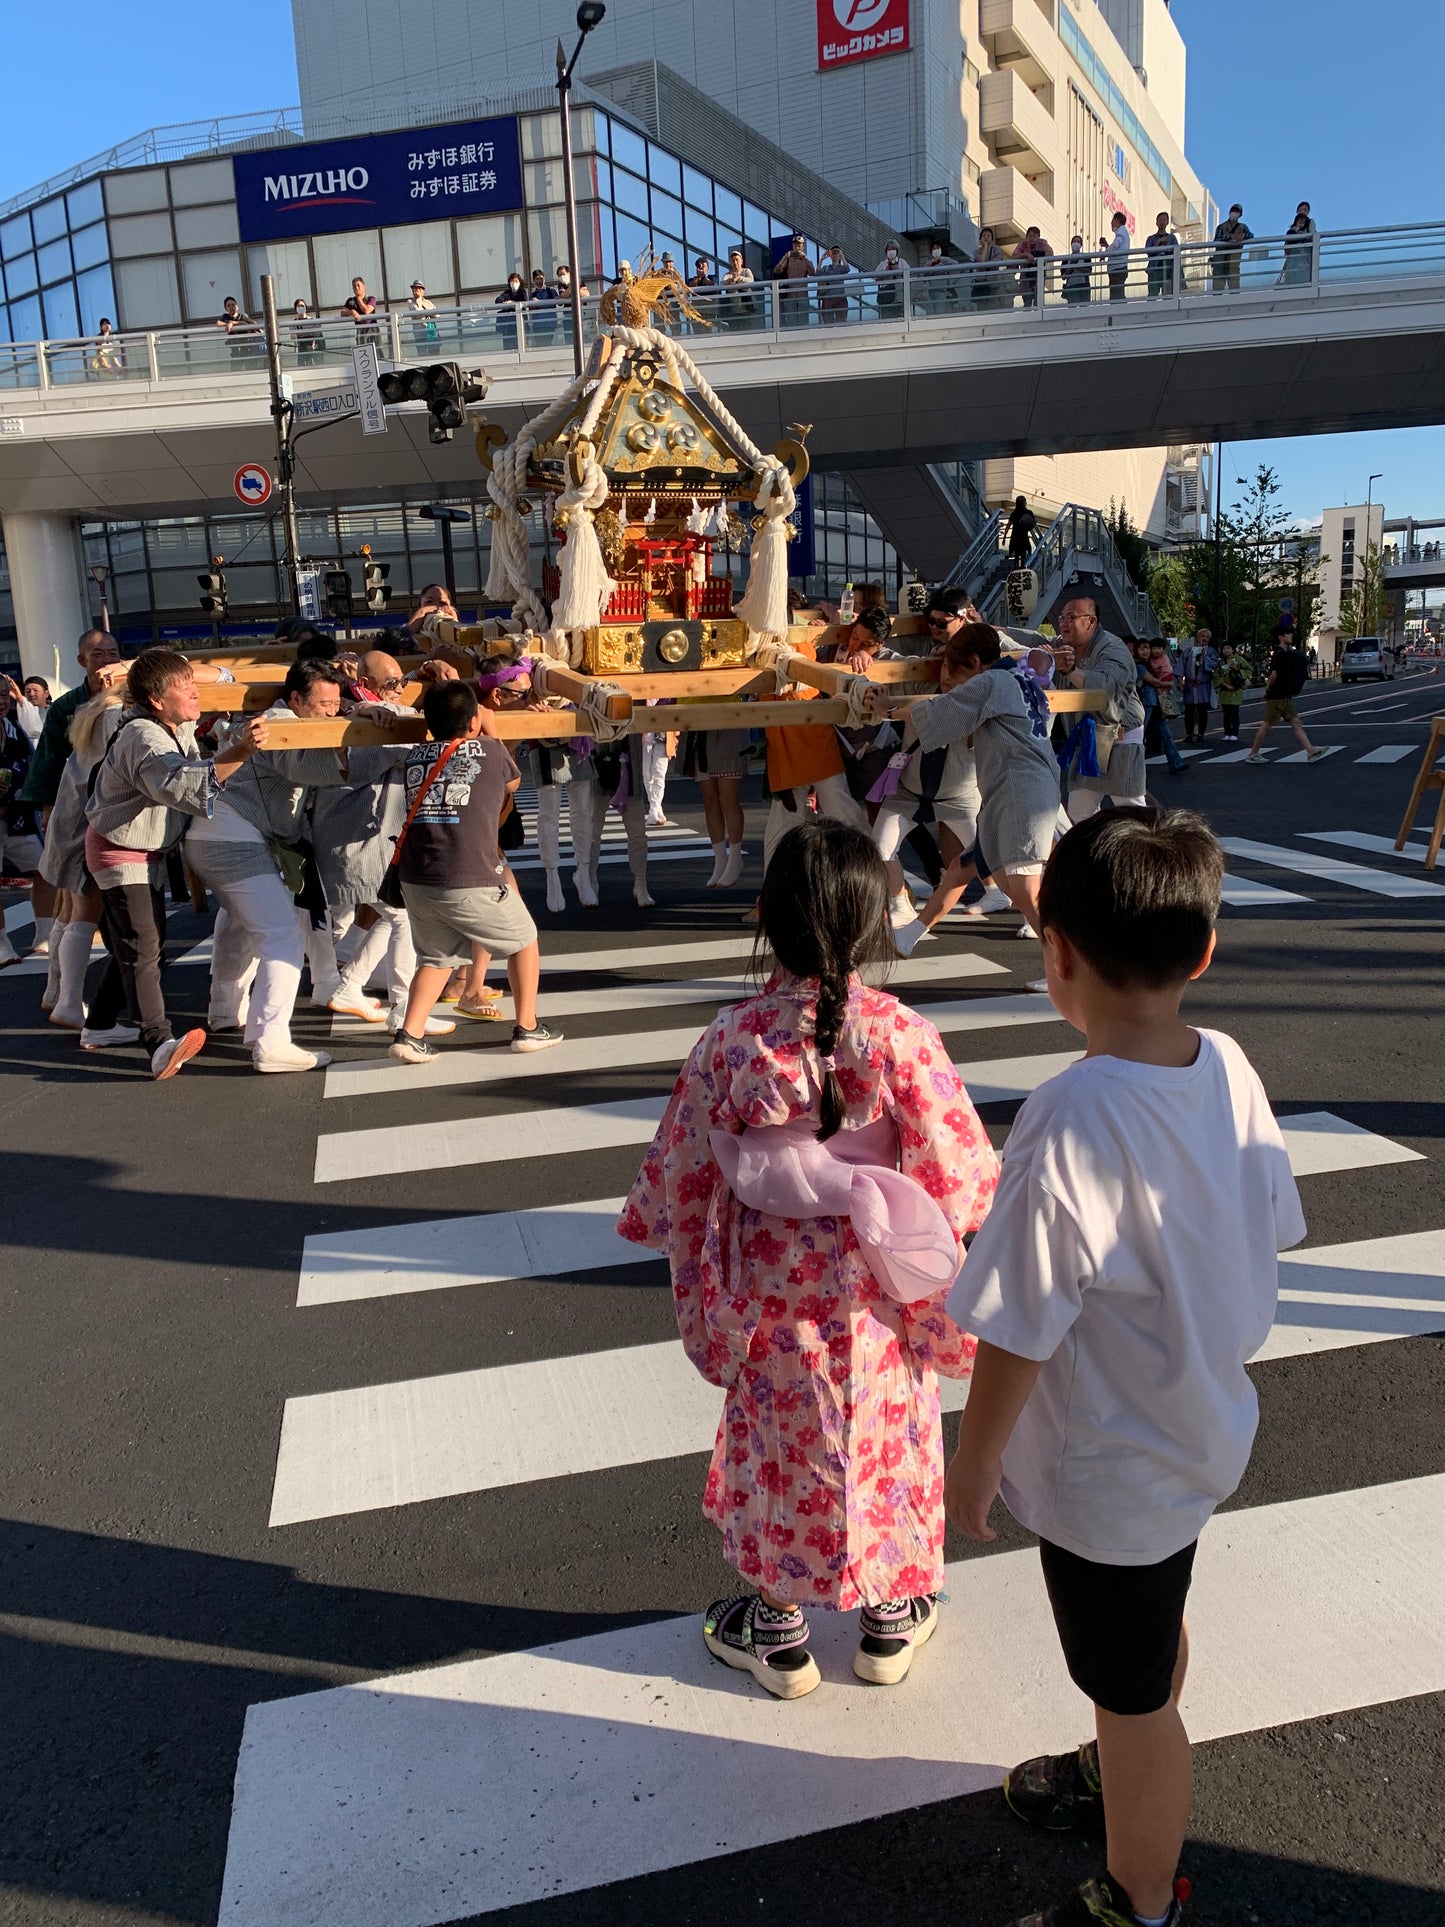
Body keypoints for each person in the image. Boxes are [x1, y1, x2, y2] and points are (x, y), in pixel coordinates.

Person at [944, 806, 1305, 1927]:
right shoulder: (1226, 1063)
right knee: (1150, 1625)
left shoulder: (1066, 1116)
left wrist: (973, 1463)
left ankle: (1138, 1895)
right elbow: (1267, 1221)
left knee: (1136, 1693)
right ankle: (1115, 1752)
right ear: (1200, 951)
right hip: (1193, 1423)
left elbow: (1014, 1321)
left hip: (1110, 1464)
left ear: (1053, 955)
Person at [618, 819, 999, 1698]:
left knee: (782, 1441)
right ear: (873, 924)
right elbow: (962, 1175)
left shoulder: (730, 1038)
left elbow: (677, 1178)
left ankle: (779, 1631)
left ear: (764, 915)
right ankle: (888, 1618)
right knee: (886, 1431)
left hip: (770, 1287)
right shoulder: (897, 1035)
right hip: (877, 1289)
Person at [83, 648, 270, 1077]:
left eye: (192, 682)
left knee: (139, 944)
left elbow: (217, 678)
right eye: (182, 686)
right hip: (119, 850)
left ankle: (100, 1024)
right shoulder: (143, 736)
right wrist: (239, 752)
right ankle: (159, 1042)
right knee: (144, 948)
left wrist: (216, 673)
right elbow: (180, 785)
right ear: (155, 700)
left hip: (137, 848)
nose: (193, 691)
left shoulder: (172, 725)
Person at [185, 658, 349, 1072]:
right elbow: (314, 768)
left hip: (216, 834)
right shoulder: (277, 724)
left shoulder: (278, 718)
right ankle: (271, 1041)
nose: (333, 711)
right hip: (234, 837)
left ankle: (224, 1009)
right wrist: (352, 742)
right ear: (295, 698)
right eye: (324, 703)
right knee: (281, 936)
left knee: (238, 923)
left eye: (337, 702)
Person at [389, 679, 562, 1062]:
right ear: (472, 723)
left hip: (418, 878)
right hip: (469, 874)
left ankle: (410, 1034)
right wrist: (492, 727)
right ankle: (529, 1026)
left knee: (436, 957)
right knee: (524, 939)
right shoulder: (488, 751)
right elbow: (513, 780)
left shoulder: (416, 757)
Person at [884, 623, 1063, 950]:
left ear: (977, 662)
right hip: (1018, 788)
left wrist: (889, 711)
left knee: (1023, 890)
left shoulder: (991, 681)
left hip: (1022, 793)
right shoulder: (1021, 679)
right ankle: (908, 937)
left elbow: (942, 710)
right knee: (960, 868)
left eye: (957, 669)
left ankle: (1068, 967)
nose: (953, 679)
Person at [1047, 598, 1148, 821]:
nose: (1063, 623)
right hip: (1088, 740)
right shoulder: (1065, 645)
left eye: (1071, 617)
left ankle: (1145, 852)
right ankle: (1095, 850)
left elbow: (1105, 687)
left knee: (1130, 808)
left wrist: (1070, 670)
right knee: (1080, 810)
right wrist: (992, 630)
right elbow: (1033, 639)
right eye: (1062, 617)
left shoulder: (1113, 648)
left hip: (1120, 734)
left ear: (1090, 622)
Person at [1246, 625, 1328, 762]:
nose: (1291, 636)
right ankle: (1253, 754)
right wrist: (1267, 688)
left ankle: (1311, 751)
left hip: (1284, 694)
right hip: (1277, 695)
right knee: (1267, 725)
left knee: (1296, 722)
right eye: (1288, 634)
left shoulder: (1285, 653)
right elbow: (1273, 674)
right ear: (1281, 637)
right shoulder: (1279, 654)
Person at [1137, 641, 1186, 775]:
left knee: (1166, 735)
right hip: (1146, 703)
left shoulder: (1151, 663)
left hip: (1156, 704)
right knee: (1139, 735)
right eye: (1142, 649)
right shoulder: (1140, 666)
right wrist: (1168, 682)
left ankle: (1176, 763)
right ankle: (1133, 766)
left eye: (1147, 648)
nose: (1146, 651)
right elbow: (1153, 681)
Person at [1178, 629, 1218, 743]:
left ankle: (1201, 733)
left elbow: (1213, 665)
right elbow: (1181, 666)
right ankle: (1189, 733)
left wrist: (1204, 656)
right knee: (1189, 711)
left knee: (1202, 711)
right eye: (1202, 636)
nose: (1204, 638)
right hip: (1190, 686)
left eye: (1207, 637)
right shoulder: (1188, 651)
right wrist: (1180, 681)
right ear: (1197, 637)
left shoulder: (1211, 651)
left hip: (1203, 686)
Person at [773, 233, 815, 326]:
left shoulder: (805, 260)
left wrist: (804, 257)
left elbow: (812, 272)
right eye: (795, 245)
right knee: (791, 322)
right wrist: (785, 257)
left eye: (799, 245)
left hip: (802, 295)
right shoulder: (788, 259)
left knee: (803, 322)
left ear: (803, 246)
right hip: (790, 295)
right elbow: (777, 271)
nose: (797, 247)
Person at [1211, 204, 1252, 293]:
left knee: (1234, 287)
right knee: (1217, 288)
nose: (1234, 213)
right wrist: (1230, 238)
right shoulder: (1221, 227)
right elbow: (1216, 241)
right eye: (1233, 210)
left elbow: (1251, 237)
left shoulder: (1243, 227)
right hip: (1220, 262)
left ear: (1240, 214)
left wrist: (1243, 236)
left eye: (1237, 211)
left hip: (1234, 263)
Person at [1212, 640, 1249, 742]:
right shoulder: (1221, 662)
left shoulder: (1239, 659)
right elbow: (1216, 674)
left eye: (1228, 648)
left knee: (1234, 712)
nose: (1226, 650)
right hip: (1225, 690)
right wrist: (1224, 684)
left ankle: (1234, 733)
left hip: (1235, 689)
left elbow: (1248, 670)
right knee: (1226, 714)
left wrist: (1238, 670)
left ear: (1233, 649)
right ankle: (1227, 732)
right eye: (1224, 648)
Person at [1280, 202, 1317, 286]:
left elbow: (1311, 236)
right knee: (1291, 281)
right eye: (1300, 209)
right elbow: (1286, 249)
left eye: (1305, 209)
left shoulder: (1310, 223)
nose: (1302, 211)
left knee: (1304, 281)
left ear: (1308, 212)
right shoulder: (1291, 231)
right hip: (1293, 260)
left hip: (1305, 259)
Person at [720, 247, 757, 329]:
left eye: (737, 259)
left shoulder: (746, 271)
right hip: (733, 311)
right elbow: (721, 284)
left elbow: (751, 281)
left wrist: (739, 278)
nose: (735, 262)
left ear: (741, 261)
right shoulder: (728, 274)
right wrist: (730, 280)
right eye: (732, 260)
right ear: (730, 262)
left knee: (747, 333)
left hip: (745, 310)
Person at [1016, 226, 1052, 308]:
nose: (1032, 238)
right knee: (1027, 301)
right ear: (1026, 237)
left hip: (1038, 276)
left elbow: (1050, 254)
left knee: (1038, 300)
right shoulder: (1022, 244)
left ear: (1038, 237)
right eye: (1030, 236)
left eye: (1034, 236)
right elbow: (1013, 256)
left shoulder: (1043, 243)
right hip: (1026, 276)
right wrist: (1025, 254)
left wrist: (1038, 255)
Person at [1144, 213, 1179, 298]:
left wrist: (1168, 247)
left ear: (1167, 222)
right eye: (1160, 220)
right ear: (1156, 223)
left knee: (1167, 297)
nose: (1162, 222)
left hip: (1168, 270)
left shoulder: (1172, 238)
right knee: (1152, 296)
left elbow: (1177, 252)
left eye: (1164, 220)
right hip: (1154, 271)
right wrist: (1158, 242)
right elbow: (1148, 252)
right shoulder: (1151, 238)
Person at [816, 242, 852, 323]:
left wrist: (842, 256)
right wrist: (822, 259)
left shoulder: (841, 268)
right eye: (833, 252)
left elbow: (847, 269)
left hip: (840, 298)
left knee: (841, 322)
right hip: (828, 298)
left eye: (837, 252)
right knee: (828, 323)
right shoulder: (826, 268)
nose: (835, 254)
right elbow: (817, 273)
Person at [972, 227, 1007, 310]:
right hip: (981, 284)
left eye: (988, 235)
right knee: (981, 308)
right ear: (980, 239)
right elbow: (980, 261)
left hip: (993, 284)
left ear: (992, 239)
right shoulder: (976, 252)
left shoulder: (996, 249)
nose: (986, 237)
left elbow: (999, 259)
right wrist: (985, 247)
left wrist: (985, 265)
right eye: (983, 236)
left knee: (993, 306)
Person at [873, 239, 906, 321]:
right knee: (886, 319)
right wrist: (886, 271)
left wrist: (898, 269)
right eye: (889, 249)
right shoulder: (882, 264)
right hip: (886, 296)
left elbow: (911, 274)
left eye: (893, 249)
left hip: (899, 296)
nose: (891, 251)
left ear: (897, 250)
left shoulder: (902, 262)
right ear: (886, 251)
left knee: (899, 318)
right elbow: (876, 279)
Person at [494, 271, 528, 347]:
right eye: (512, 281)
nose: (513, 283)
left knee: (521, 345)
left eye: (516, 281)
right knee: (508, 347)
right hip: (508, 326)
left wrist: (513, 303)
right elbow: (498, 300)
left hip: (519, 324)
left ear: (520, 282)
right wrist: (505, 302)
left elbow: (524, 301)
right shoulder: (507, 293)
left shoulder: (522, 292)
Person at [527, 269, 558, 347]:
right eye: (537, 279)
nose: (539, 281)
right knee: (539, 345)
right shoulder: (533, 294)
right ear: (534, 280)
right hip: (538, 325)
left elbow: (559, 302)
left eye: (541, 278)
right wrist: (533, 303)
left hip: (550, 323)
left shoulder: (551, 291)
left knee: (548, 344)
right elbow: (530, 310)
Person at [291, 297, 326, 364]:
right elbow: (293, 335)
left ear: (305, 308)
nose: (300, 307)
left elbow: (316, 333)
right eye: (298, 306)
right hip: (301, 348)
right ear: (295, 308)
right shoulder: (294, 322)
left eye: (302, 306)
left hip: (313, 347)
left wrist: (302, 334)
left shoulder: (312, 320)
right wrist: (309, 333)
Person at [1006, 494, 1039, 566]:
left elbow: (1008, 525)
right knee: (1025, 551)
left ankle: (1016, 566)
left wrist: (1004, 537)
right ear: (1024, 503)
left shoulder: (1014, 513)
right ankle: (1025, 566)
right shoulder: (1028, 512)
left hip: (1015, 535)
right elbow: (1034, 522)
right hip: (1023, 535)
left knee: (1016, 554)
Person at [1107, 212, 1132, 302]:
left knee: (1116, 295)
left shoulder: (1121, 230)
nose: (1111, 223)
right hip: (1118, 267)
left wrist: (1107, 252)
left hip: (1117, 267)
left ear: (1117, 221)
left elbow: (1117, 243)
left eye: (1113, 221)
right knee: (1117, 293)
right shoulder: (1124, 231)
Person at [1062, 235, 1093, 306]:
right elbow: (1063, 276)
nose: (1075, 243)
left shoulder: (1086, 257)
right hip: (1071, 286)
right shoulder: (1066, 258)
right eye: (1074, 241)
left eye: (1078, 242)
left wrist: (1078, 267)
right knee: (1072, 309)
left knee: (1084, 308)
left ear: (1081, 245)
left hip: (1084, 285)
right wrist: (1071, 267)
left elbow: (1089, 271)